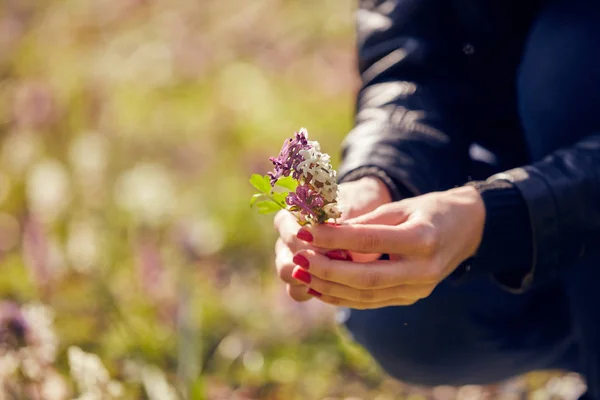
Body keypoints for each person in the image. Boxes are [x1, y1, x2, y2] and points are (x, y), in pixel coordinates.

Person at [273, 0, 600, 397]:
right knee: (401, 315)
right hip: (521, 160)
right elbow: (412, 59)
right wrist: (380, 177)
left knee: (568, 62)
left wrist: (497, 218)